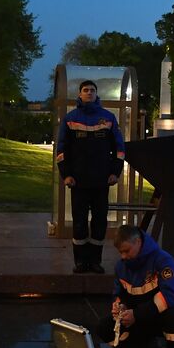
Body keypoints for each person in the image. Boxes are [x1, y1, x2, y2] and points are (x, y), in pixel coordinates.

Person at [95, 225, 174, 348]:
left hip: (165, 314)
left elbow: (170, 296)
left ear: (138, 242)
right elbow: (119, 293)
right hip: (139, 316)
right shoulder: (121, 267)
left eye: (127, 251)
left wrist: (136, 314)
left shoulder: (162, 260)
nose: (124, 256)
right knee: (104, 328)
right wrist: (119, 306)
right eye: (121, 252)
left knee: (173, 318)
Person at [55, 79, 124, 273]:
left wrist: (115, 172)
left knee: (100, 221)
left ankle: (95, 262)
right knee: (79, 221)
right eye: (85, 90)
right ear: (79, 94)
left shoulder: (108, 118)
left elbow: (119, 148)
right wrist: (66, 175)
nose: (89, 93)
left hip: (102, 181)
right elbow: (61, 150)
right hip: (78, 181)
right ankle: (80, 262)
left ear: (97, 94)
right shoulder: (70, 119)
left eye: (92, 90)